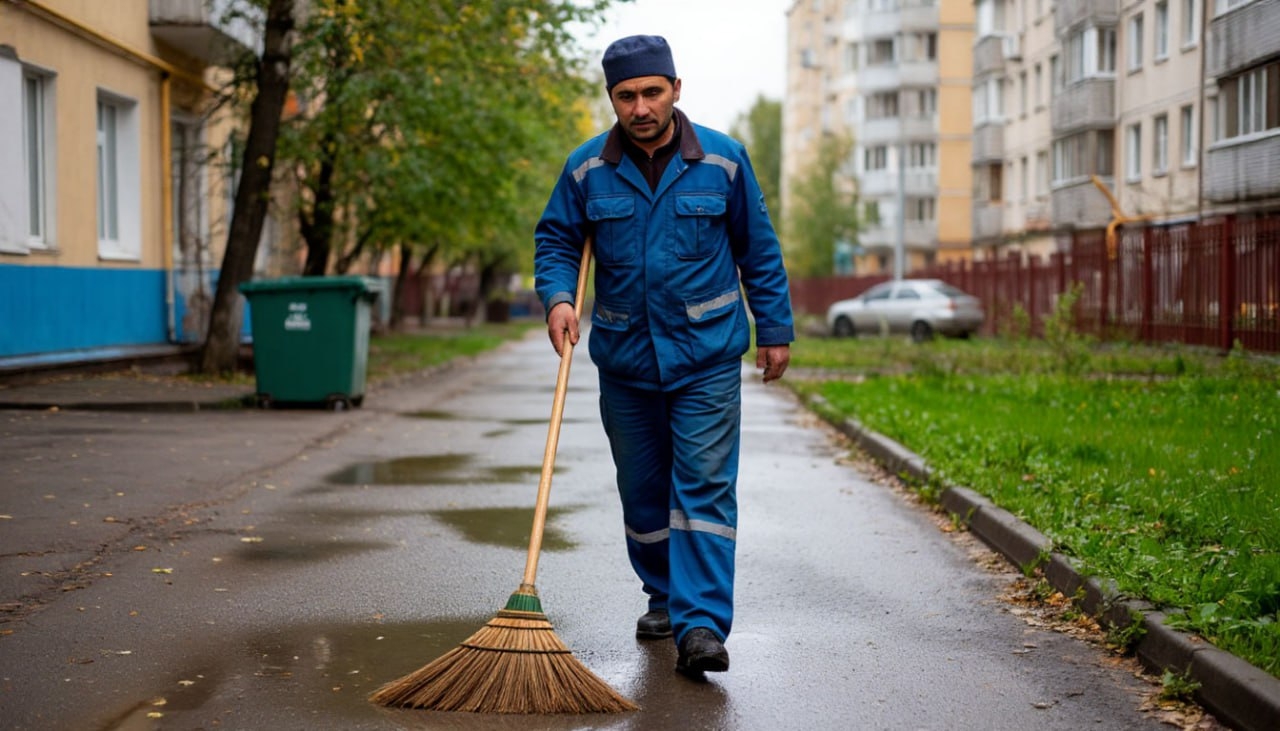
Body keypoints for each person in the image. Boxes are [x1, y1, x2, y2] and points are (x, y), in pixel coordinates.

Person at [533, 34, 794, 677]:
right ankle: (664, 598)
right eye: (627, 95)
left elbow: (757, 248)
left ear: (677, 89)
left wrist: (775, 328)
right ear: (612, 99)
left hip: (705, 356)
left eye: (653, 91)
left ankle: (701, 623)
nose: (641, 106)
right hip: (624, 359)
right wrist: (560, 298)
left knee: (703, 485)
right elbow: (556, 240)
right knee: (643, 492)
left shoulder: (724, 161)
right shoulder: (587, 168)